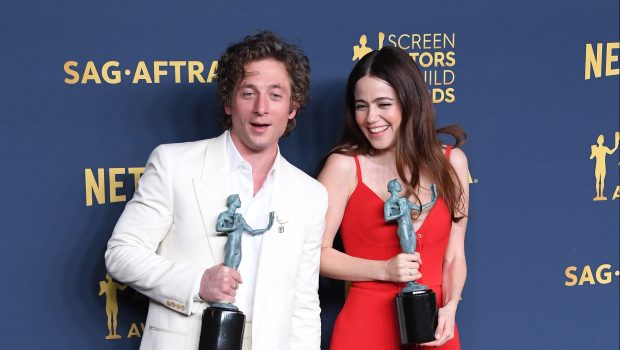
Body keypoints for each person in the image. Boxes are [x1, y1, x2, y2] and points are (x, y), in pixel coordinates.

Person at [105, 31, 327, 350]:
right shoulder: (173, 164)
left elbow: (303, 304)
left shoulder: (310, 194)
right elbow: (121, 253)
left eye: (276, 95)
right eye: (248, 93)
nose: (261, 108)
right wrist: (197, 283)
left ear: (293, 107)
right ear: (228, 102)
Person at [318, 46, 469, 350]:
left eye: (383, 104)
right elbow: (314, 253)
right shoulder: (344, 166)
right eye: (361, 106)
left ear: (409, 102)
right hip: (365, 329)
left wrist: (450, 307)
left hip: (435, 328)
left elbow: (454, 255)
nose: (371, 118)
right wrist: (382, 269)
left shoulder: (453, 163)